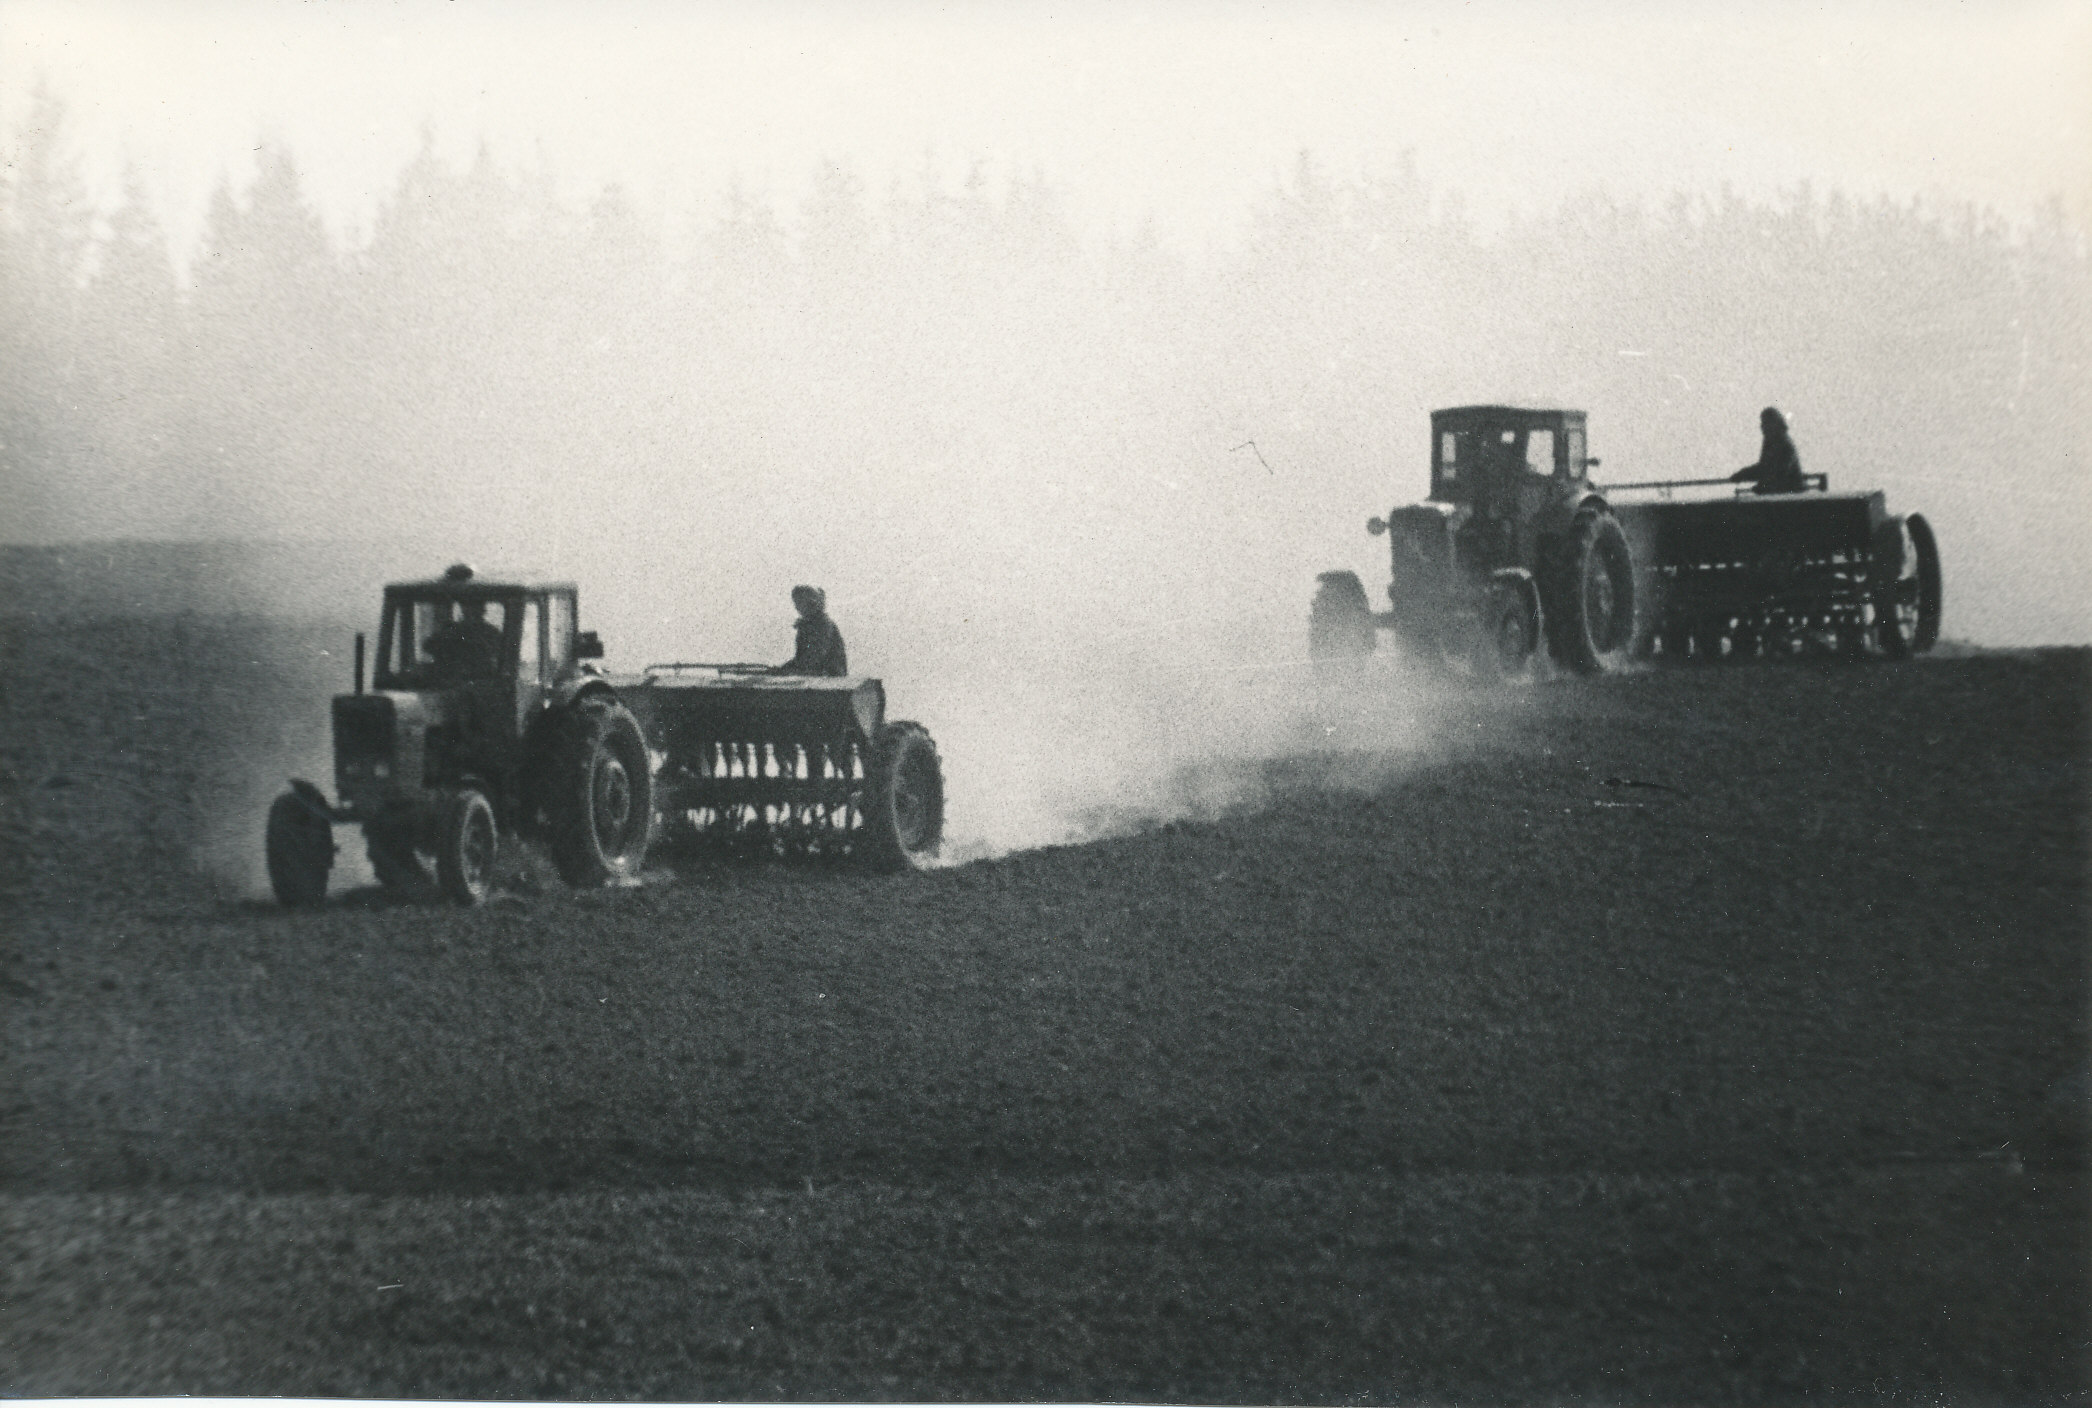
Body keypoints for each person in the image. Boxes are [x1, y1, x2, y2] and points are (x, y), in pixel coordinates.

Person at [770, 585, 848, 676]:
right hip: (814, 675)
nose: (796, 607)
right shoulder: (806, 625)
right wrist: (782, 669)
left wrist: (788, 670)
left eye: (799, 602)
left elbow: (815, 658)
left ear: (810, 603)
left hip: (828, 677)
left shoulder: (823, 625)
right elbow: (801, 659)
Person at [1729, 407, 1806, 495]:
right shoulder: (1769, 442)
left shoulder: (1785, 444)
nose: (1762, 427)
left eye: (1765, 423)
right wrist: (1742, 475)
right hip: (1777, 494)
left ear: (1775, 424)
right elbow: (1764, 467)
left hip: (1791, 496)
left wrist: (1763, 486)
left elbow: (1780, 473)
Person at [425, 598, 504, 679]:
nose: (471, 611)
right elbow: (429, 646)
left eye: (476, 608)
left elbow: (501, 653)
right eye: (468, 607)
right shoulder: (451, 629)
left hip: (482, 677)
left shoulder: (491, 632)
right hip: (452, 676)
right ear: (463, 609)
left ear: (483, 610)